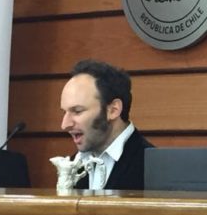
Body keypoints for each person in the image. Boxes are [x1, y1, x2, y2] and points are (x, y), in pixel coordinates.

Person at [59, 59, 154, 190]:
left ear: (113, 110)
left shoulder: (153, 167)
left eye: (77, 111)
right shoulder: (73, 165)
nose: (65, 125)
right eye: (64, 112)